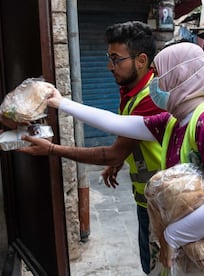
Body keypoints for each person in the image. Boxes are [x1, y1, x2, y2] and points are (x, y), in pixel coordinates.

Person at [21, 42, 204, 275]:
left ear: (179, 76)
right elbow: (116, 123)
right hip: (203, 251)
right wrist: (60, 103)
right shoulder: (174, 121)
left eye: (158, 74)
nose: (153, 83)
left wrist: (172, 236)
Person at [19, 21, 164, 274]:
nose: (110, 66)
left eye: (116, 59)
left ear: (141, 60)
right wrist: (119, 162)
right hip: (148, 202)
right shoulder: (130, 90)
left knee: (158, 268)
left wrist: (52, 149)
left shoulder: (152, 96)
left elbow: (113, 149)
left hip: (163, 205)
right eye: (109, 58)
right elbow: (128, 137)